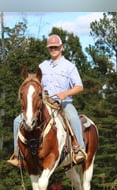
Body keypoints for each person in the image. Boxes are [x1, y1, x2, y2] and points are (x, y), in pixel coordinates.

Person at [7, 34, 86, 167]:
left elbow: (79, 87)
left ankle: (79, 150)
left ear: (61, 47)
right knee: (17, 121)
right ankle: (17, 154)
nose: (53, 49)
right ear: (48, 49)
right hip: (44, 103)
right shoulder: (42, 66)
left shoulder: (69, 66)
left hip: (63, 103)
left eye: (56, 47)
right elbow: (36, 85)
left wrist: (65, 93)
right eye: (51, 47)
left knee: (73, 117)